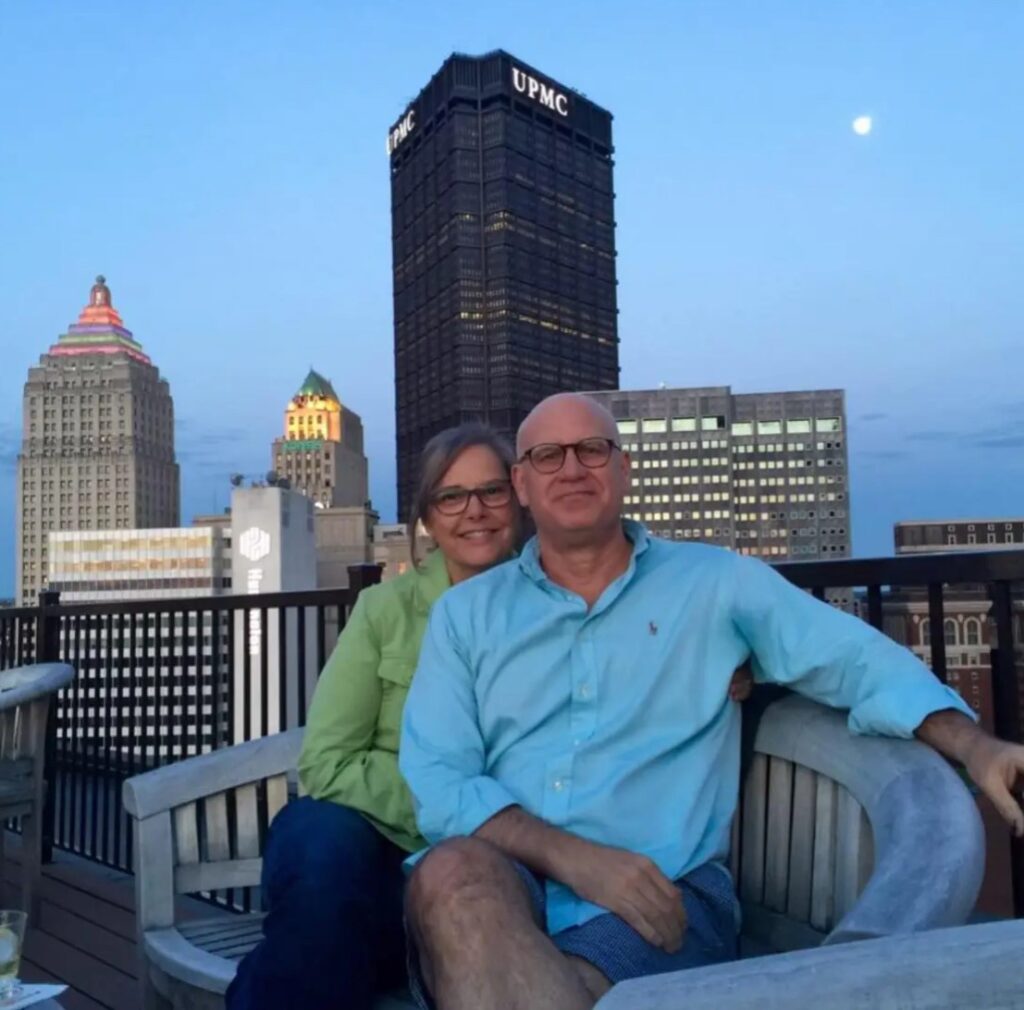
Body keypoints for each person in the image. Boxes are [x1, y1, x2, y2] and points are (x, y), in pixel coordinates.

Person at [399, 393, 1024, 1010]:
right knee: (450, 876)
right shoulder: (466, 616)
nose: (571, 468)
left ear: (624, 470)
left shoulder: (716, 585)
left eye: (592, 449)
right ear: (523, 484)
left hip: (666, 887)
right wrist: (576, 859)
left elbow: (855, 660)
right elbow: (438, 774)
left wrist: (977, 747)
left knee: (537, 982)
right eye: (547, 455)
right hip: (515, 878)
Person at [226, 423, 521, 1010]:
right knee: (319, 840)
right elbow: (327, 761)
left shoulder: (555, 611)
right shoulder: (384, 610)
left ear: (519, 500)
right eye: (451, 497)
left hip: (497, 864)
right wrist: (445, 805)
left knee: (311, 946)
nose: (475, 512)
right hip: (377, 843)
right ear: (428, 519)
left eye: (493, 491)